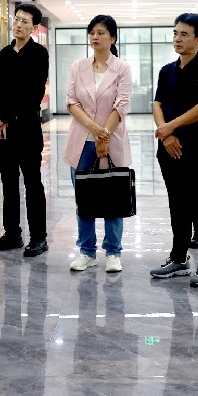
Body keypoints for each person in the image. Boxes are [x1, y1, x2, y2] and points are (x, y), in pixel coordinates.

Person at [149, 13, 198, 287]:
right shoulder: (166, 70)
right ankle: (179, 258)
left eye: (184, 34)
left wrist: (170, 127)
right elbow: (157, 104)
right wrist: (165, 133)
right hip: (168, 148)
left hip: (196, 148)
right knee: (177, 204)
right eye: (175, 33)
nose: (177, 39)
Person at [63, 15, 133, 273]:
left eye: (101, 32)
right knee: (85, 198)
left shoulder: (122, 68)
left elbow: (121, 105)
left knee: (114, 196)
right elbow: (71, 102)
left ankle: (113, 252)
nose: (95, 37)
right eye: (92, 32)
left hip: (112, 140)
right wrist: (95, 131)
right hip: (81, 141)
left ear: (112, 38)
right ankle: (87, 251)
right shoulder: (78, 67)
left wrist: (103, 136)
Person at [0, 3, 50, 257]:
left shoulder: (38, 54)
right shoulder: (5, 53)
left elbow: (33, 93)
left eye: (24, 21)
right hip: (4, 129)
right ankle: (12, 234)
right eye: (16, 19)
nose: (18, 24)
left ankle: (39, 238)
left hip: (27, 127)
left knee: (32, 182)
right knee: (9, 182)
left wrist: (6, 117)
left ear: (34, 27)